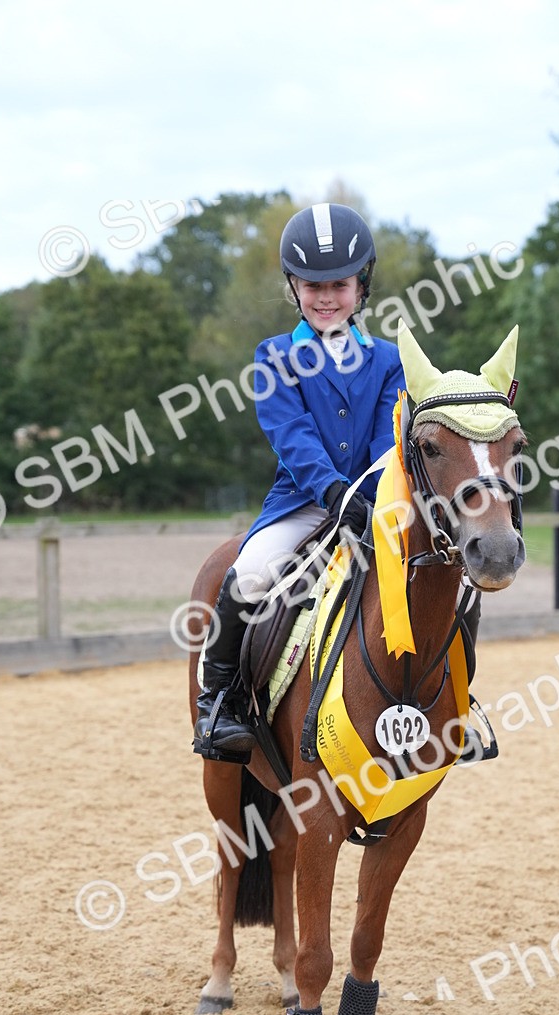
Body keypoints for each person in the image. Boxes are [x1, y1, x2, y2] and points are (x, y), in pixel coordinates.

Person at [193, 202, 405, 760]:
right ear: (294, 287)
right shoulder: (275, 357)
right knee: (252, 571)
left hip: (376, 501)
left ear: (362, 285)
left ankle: (456, 702)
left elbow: (391, 436)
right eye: (313, 286)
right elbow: (291, 437)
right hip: (305, 503)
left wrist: (369, 493)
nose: (327, 297)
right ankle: (218, 704)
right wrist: (335, 493)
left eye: (339, 283)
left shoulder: (389, 360)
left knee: (441, 573)